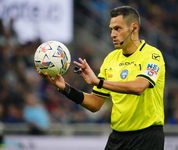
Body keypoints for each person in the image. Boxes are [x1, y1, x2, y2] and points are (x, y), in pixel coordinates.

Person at [38, 6, 165, 150]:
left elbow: (139, 87)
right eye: (111, 29)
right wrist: (64, 88)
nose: (112, 34)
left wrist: (99, 82)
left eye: (118, 29)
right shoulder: (110, 59)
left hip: (147, 137)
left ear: (134, 28)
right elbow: (95, 104)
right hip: (118, 137)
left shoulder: (152, 55)